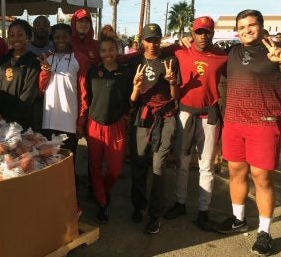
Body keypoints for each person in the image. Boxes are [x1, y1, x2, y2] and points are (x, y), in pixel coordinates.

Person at [213, 10, 281, 256]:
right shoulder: (231, 52)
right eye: (241, 27)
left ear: (262, 27)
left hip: (264, 124)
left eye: (251, 25)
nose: (246, 30)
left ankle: (264, 232)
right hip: (233, 123)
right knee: (235, 173)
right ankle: (238, 219)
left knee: (262, 178)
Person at [163, 17, 227, 232]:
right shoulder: (182, 51)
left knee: (206, 165)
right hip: (185, 113)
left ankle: (203, 211)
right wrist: (177, 42)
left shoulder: (222, 57)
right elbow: (156, 50)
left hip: (209, 116)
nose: (203, 36)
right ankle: (180, 203)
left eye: (207, 32)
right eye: (199, 32)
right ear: (193, 32)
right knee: (182, 161)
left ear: (212, 33)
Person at [127, 23, 180, 234]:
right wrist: (136, 87)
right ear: (142, 41)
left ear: (161, 39)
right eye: (149, 39)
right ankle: (138, 206)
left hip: (165, 116)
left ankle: (155, 214)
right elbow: (131, 101)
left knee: (158, 165)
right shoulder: (135, 61)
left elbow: (176, 97)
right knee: (138, 163)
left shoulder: (170, 61)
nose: (153, 44)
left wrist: (173, 81)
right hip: (142, 116)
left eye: (156, 39)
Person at [86, 36, 132, 224]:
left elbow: (131, 97)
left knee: (114, 169)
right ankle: (102, 203)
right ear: (99, 53)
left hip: (116, 125)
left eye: (111, 49)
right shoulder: (92, 72)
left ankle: (103, 190)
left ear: (117, 50)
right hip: (94, 124)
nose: (107, 54)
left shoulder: (126, 72)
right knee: (95, 167)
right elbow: (86, 97)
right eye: (103, 50)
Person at [39, 23, 88, 155]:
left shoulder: (80, 59)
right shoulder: (46, 58)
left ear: (70, 38)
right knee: (50, 160)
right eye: (57, 37)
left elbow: (84, 93)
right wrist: (45, 72)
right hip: (48, 120)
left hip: (70, 121)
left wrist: (81, 122)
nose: (61, 40)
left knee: (68, 159)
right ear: (52, 39)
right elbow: (40, 88)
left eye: (64, 37)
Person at [0, 19, 40, 129]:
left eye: (20, 35)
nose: (16, 39)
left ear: (27, 36)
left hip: (22, 120)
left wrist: (11, 119)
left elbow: (29, 93)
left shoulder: (34, 61)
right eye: (12, 35)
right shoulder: (3, 60)